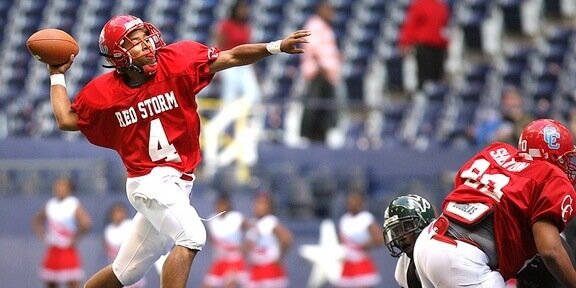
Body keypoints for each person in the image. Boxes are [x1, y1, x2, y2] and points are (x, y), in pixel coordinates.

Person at [45, 14, 310, 288]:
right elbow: (66, 119)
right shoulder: (104, 93)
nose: (147, 44)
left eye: (145, 36)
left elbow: (230, 57)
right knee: (193, 235)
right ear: (118, 56)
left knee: (126, 272)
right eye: (135, 42)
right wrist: (56, 75)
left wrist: (276, 46)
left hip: (177, 183)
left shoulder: (176, 61)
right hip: (148, 181)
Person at [413, 119, 576, 287]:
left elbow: (461, 188)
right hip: (463, 261)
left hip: (429, 240)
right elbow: (550, 250)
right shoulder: (552, 177)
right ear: (553, 155)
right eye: (565, 158)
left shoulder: (496, 151)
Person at [32, 176, 92, 288]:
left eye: (63, 186)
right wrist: (42, 234)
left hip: (67, 249)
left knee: (73, 282)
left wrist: (75, 238)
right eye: (58, 186)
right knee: (51, 282)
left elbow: (86, 223)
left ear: (69, 189)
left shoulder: (73, 203)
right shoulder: (50, 204)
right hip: (53, 248)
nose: (60, 189)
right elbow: (37, 220)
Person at [300, 0, 343, 143]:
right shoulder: (314, 25)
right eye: (328, 9)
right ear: (320, 9)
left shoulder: (326, 27)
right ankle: (309, 139)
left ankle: (320, 139)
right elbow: (314, 49)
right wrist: (324, 69)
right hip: (318, 74)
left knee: (325, 114)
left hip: (328, 76)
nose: (331, 13)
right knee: (314, 109)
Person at [383, 194, 436, 288]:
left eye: (407, 227)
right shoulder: (404, 265)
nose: (400, 236)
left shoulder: (441, 254)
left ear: (425, 223)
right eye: (396, 231)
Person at [213, 0, 261, 104]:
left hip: (244, 63)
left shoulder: (246, 27)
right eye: (241, 9)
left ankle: (240, 115)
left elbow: (250, 47)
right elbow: (218, 45)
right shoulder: (226, 25)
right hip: (228, 62)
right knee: (229, 95)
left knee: (254, 93)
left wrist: (254, 67)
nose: (244, 11)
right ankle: (225, 119)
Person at [245, 192, 293, 288]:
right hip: (256, 269)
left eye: (263, 203)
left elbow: (287, 238)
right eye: (257, 203)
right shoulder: (252, 223)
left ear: (269, 207)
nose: (259, 206)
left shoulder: (271, 222)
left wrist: (280, 256)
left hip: (270, 270)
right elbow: (247, 246)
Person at [398, 0, 450, 89]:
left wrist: (446, 45)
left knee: (436, 79)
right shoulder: (420, 5)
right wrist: (405, 43)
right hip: (425, 47)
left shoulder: (441, 7)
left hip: (438, 48)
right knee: (424, 79)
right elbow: (411, 25)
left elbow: (444, 28)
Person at [336, 191, 383, 288]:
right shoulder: (344, 220)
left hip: (362, 263)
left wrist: (367, 244)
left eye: (355, 201)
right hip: (348, 263)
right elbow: (340, 240)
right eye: (350, 201)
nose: (352, 204)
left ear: (360, 203)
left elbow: (380, 238)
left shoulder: (366, 218)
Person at [203, 193, 248, 288]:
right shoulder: (212, 220)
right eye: (219, 204)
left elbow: (253, 229)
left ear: (229, 204)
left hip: (234, 261)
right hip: (219, 261)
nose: (221, 206)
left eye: (224, 204)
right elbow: (210, 238)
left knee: (230, 285)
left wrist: (246, 246)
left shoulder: (237, 217)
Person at [104, 202, 146, 288]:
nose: (119, 215)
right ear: (111, 215)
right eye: (116, 213)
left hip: (133, 267)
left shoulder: (131, 225)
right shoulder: (108, 230)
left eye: (121, 212)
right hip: (116, 269)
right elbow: (108, 249)